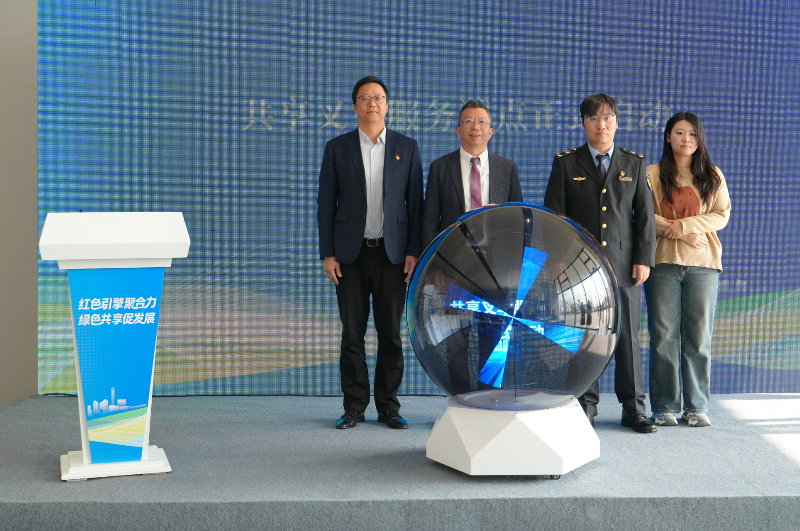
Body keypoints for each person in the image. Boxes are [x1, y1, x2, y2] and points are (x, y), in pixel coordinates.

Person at [544, 94, 657, 433]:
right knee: (584, 336)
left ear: (617, 122)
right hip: (580, 268)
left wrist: (643, 259)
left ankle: (634, 408)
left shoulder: (633, 163)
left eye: (607, 117)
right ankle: (584, 404)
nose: (601, 124)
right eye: (593, 118)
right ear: (583, 123)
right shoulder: (566, 163)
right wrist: (558, 262)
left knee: (628, 338)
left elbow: (645, 218)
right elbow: (555, 218)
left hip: (624, 266)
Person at [317, 76, 423, 430]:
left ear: (387, 105)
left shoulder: (407, 147)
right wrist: (328, 253)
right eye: (365, 98)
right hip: (350, 255)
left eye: (378, 98)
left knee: (391, 334)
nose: (372, 103)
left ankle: (389, 406)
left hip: (393, 256)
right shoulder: (337, 147)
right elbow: (326, 204)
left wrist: (413, 251)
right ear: (354, 107)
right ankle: (354, 406)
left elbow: (416, 205)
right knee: (352, 334)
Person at [644, 112, 731, 428]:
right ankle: (664, 407)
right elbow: (642, 214)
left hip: (703, 266)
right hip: (663, 264)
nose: (686, 139)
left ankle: (696, 406)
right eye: (680, 133)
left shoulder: (712, 175)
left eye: (692, 134)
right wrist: (677, 231)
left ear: (699, 139)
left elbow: (721, 215)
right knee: (663, 337)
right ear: (668, 137)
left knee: (698, 338)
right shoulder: (651, 174)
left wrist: (686, 225)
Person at [421, 99, 523, 248]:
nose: (475, 127)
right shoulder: (440, 167)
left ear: (491, 132)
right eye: (468, 121)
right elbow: (430, 221)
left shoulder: (507, 169)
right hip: (452, 252)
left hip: (498, 253)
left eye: (482, 122)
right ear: (458, 131)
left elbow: (517, 219)